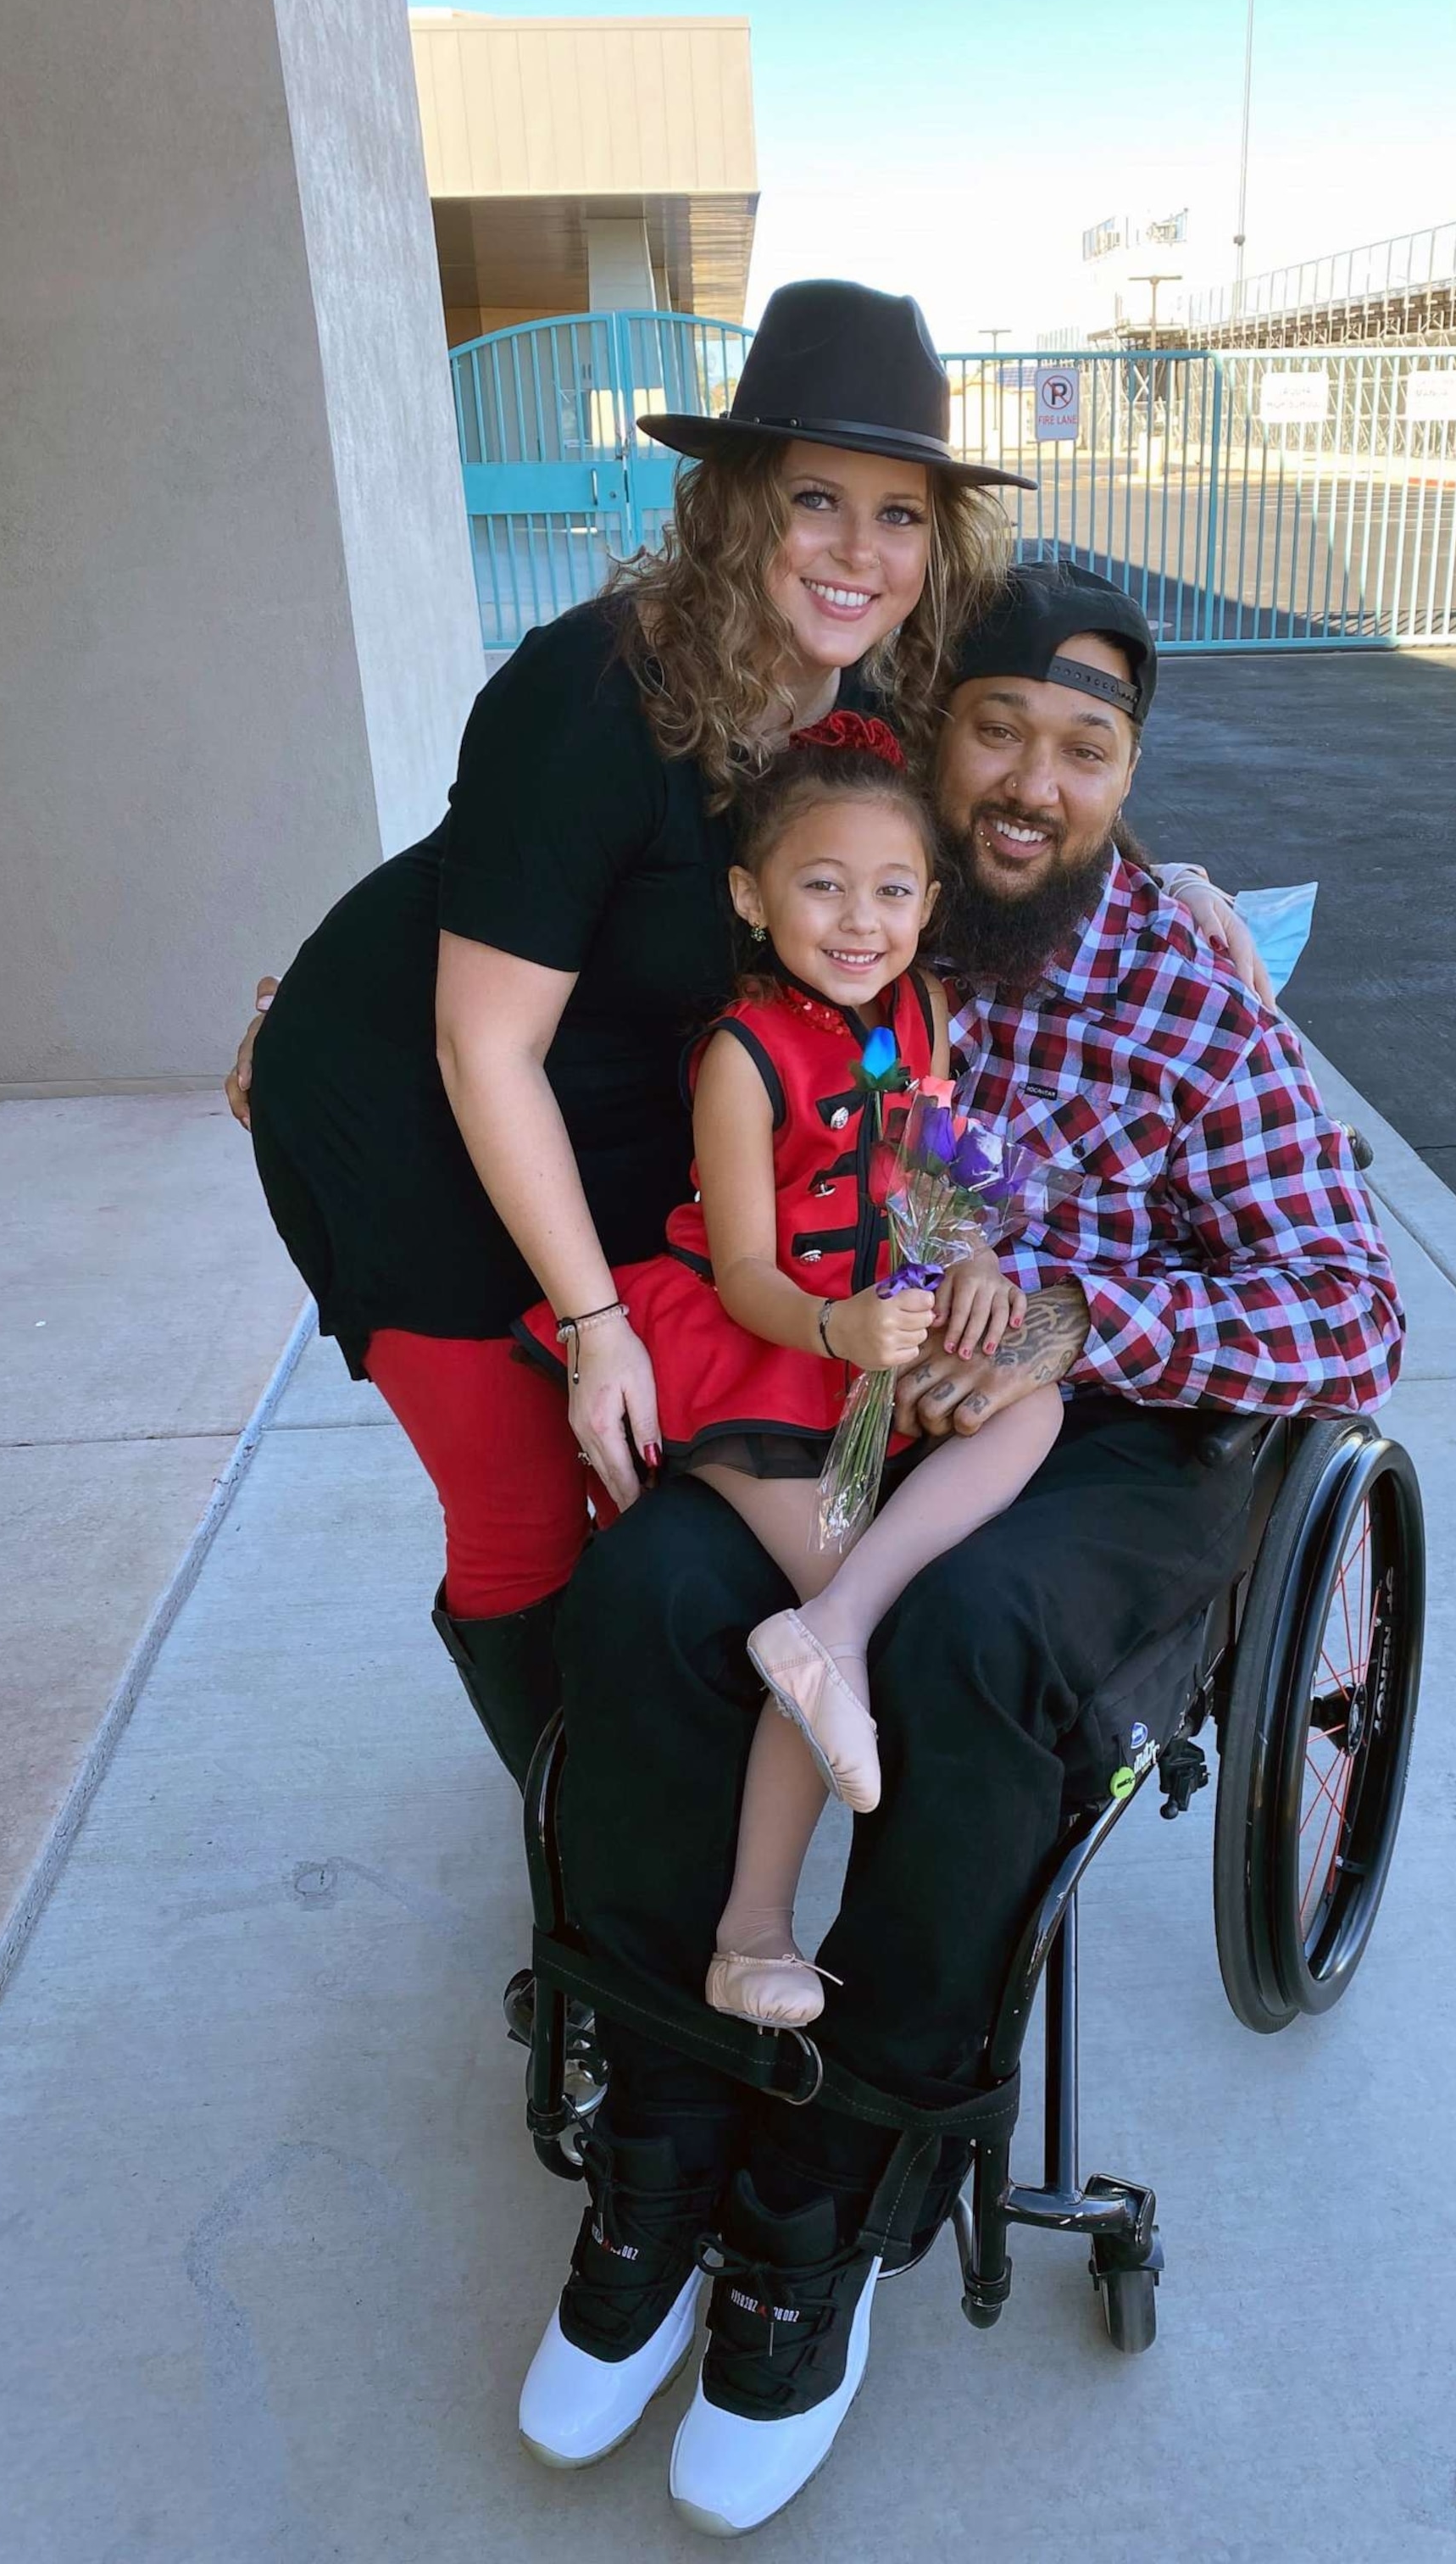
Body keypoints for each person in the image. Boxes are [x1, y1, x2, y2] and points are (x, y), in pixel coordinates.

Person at [515, 561, 1405, 2535]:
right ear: (932, 745)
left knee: (975, 1642)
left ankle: (823, 2211)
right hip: (850, 1393)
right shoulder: (854, 933)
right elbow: (519, 999)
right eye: (997, 729)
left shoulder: (1185, 990)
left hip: (1099, 1433)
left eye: (1083, 752)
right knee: (660, 1592)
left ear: (1123, 782)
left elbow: (1358, 1312)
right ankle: (660, 2136)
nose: (1031, 782)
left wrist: (1093, 1320)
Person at [229, 281, 1025, 1787]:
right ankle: (575, 1852)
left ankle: (651, 1780)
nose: (863, 550)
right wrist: (595, 1329)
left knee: (654, 1474)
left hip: (616, 1104)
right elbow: (482, 1044)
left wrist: (1174, 874)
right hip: (414, 1098)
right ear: (734, 505)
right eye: (817, 499)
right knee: (533, 1489)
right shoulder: (594, 684)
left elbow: (1025, 797)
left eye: (902, 513)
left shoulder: (869, 688)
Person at [523, 716, 1061, 2033]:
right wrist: (835, 1335)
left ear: (931, 903)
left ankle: (832, 1629)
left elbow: (935, 1170)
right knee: (837, 1580)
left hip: (881, 1323)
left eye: (891, 890)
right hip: (763, 1350)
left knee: (1034, 1390)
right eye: (822, 886)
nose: (860, 919)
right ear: (752, 897)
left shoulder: (925, 1010)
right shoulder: (742, 1055)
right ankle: (751, 1928)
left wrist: (978, 1255)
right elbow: (747, 1272)